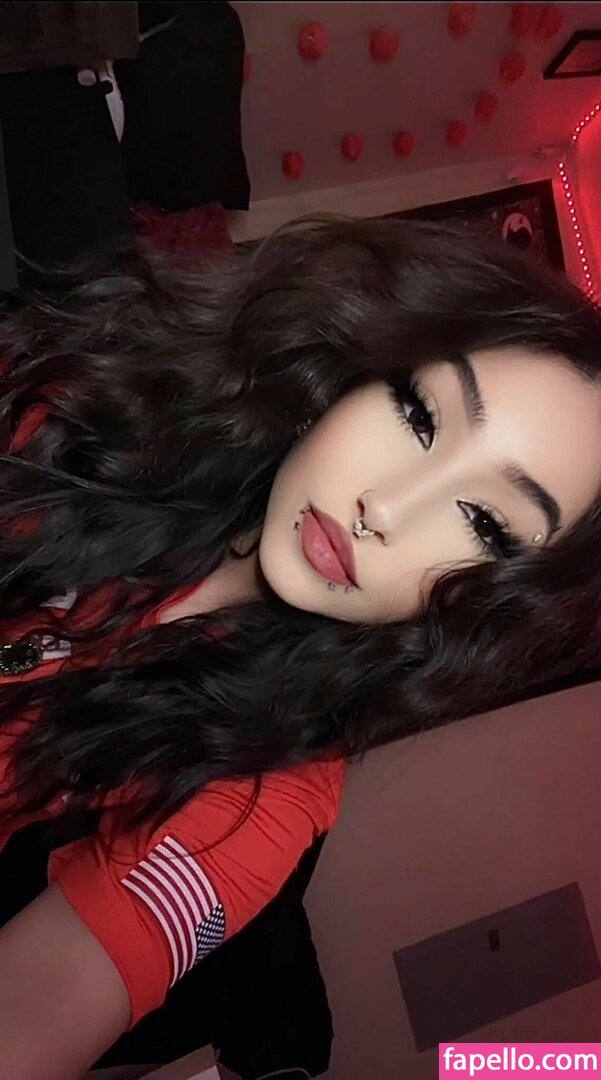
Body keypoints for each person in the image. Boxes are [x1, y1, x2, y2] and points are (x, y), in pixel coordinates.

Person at [0, 212, 599, 1079]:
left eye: (483, 523)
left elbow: (39, 1003)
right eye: (417, 414)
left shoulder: (266, 793)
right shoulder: (81, 405)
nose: (385, 508)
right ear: (354, 371)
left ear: (490, 604)